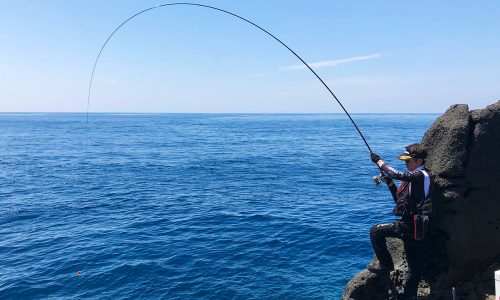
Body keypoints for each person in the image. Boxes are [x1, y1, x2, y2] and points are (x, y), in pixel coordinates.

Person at [368, 143, 434, 299]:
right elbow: (399, 200)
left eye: (408, 161)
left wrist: (379, 161)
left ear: (418, 161)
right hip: (416, 229)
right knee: (415, 269)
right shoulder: (413, 180)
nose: (405, 163)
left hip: (408, 226)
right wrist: (390, 184)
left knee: (375, 230)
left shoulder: (422, 175)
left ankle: (385, 264)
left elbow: (397, 174)